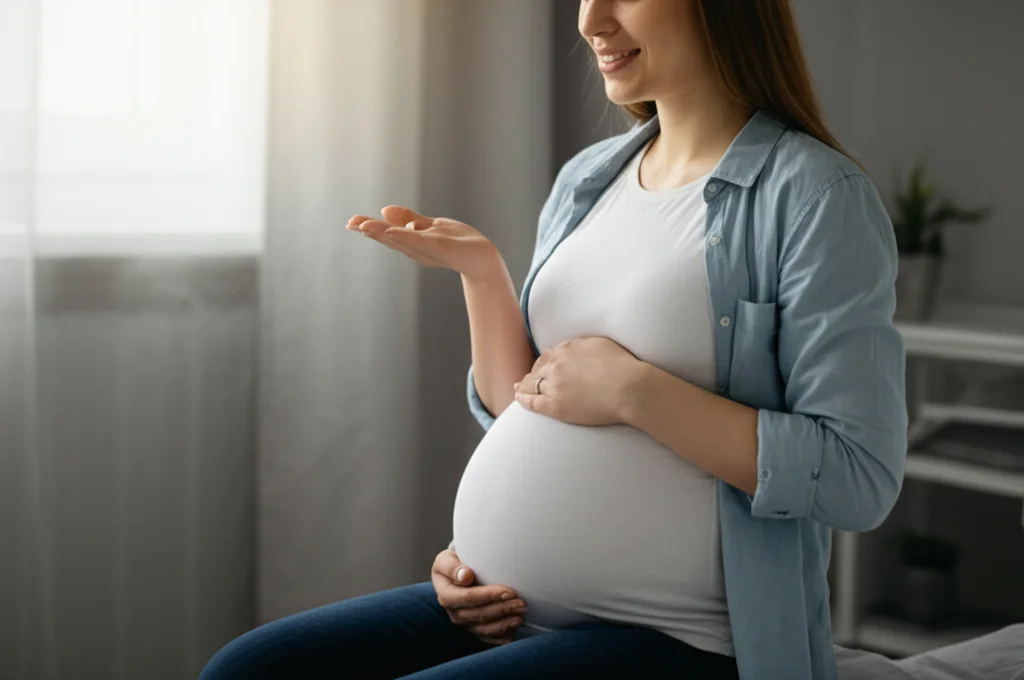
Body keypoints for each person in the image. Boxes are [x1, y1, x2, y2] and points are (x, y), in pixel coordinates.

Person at [199, 0, 907, 678]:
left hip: (684, 639)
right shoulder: (589, 179)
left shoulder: (815, 195)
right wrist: (483, 275)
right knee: (246, 668)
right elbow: (530, 402)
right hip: (500, 607)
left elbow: (858, 476)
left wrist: (634, 391)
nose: (590, 20)